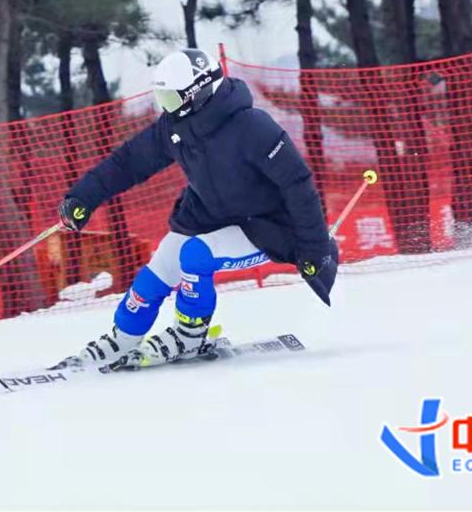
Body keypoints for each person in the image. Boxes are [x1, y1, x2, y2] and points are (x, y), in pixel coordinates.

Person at [58, 48, 337, 370]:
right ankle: (123, 338)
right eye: (162, 98)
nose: (167, 107)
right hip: (211, 219)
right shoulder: (176, 127)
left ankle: (190, 334)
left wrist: (315, 249)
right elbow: (129, 162)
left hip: (268, 229)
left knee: (195, 254)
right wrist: (83, 197)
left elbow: (298, 184)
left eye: (172, 98)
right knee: (160, 266)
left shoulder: (252, 127)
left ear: (198, 92)